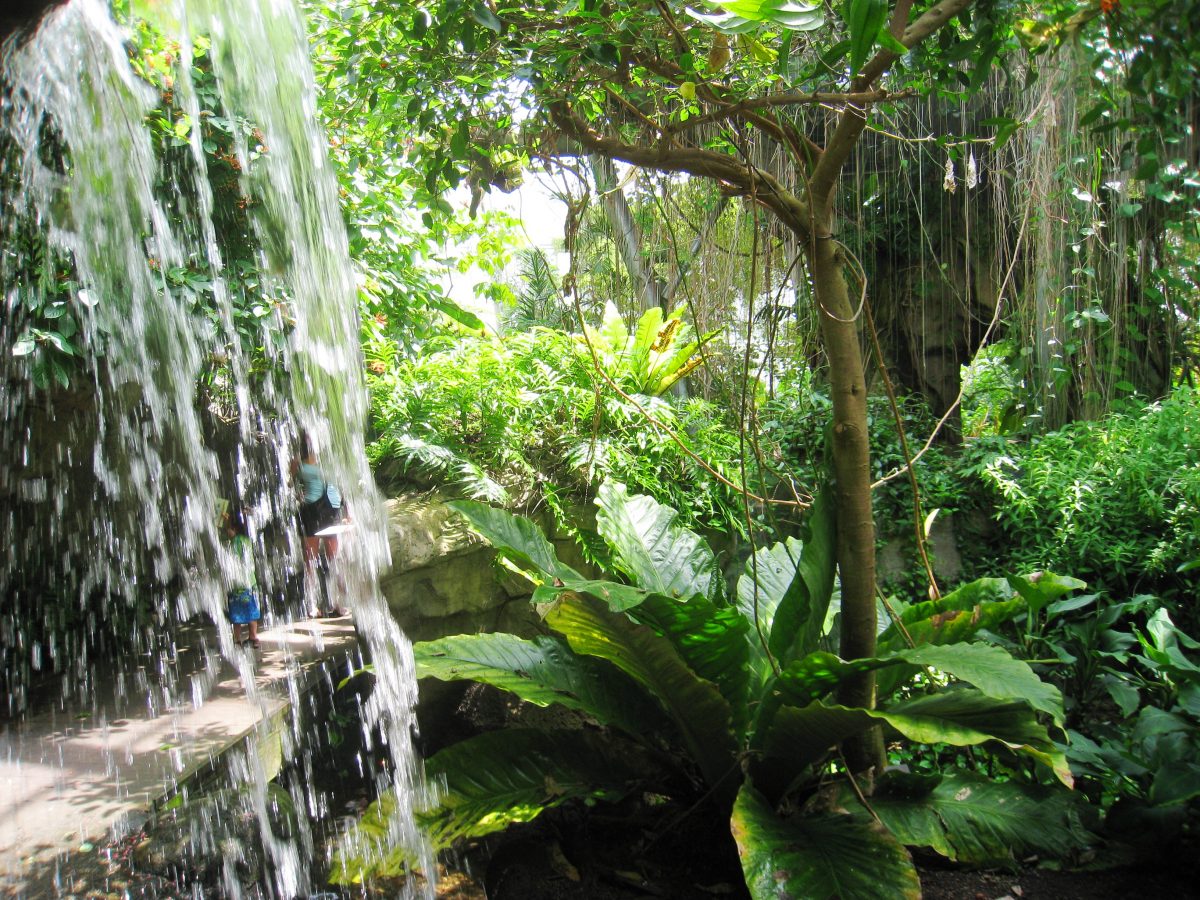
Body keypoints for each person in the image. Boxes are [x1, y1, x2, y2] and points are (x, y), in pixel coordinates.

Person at [290, 431, 349, 617]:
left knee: (333, 560)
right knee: (311, 562)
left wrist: (347, 511)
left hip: (326, 511)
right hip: (313, 511)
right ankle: (313, 605)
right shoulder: (298, 462)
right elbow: (291, 485)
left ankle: (338, 604)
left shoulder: (325, 460)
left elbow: (340, 486)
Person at [223, 505, 261, 648]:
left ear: (235, 529)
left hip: (237, 585)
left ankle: (237, 640)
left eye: (229, 528)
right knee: (251, 612)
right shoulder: (247, 540)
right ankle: (253, 637)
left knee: (236, 615)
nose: (227, 531)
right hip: (250, 583)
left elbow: (232, 561)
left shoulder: (235, 542)